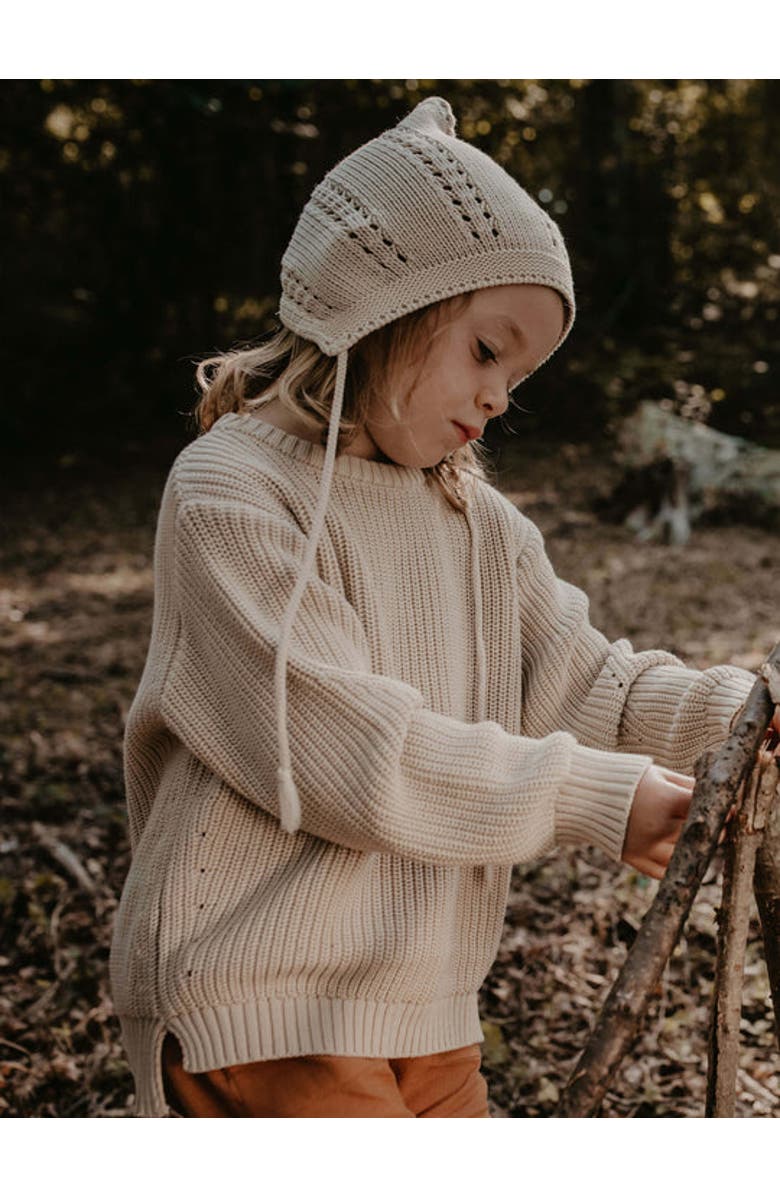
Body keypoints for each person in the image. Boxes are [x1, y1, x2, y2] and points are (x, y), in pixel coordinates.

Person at [108, 95, 777, 1118]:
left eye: (521, 373)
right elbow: (354, 751)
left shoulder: (479, 524)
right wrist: (593, 797)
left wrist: (747, 715)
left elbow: (592, 685)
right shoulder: (232, 493)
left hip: (427, 1008)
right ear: (377, 303)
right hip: (261, 1005)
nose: (501, 395)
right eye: (486, 350)